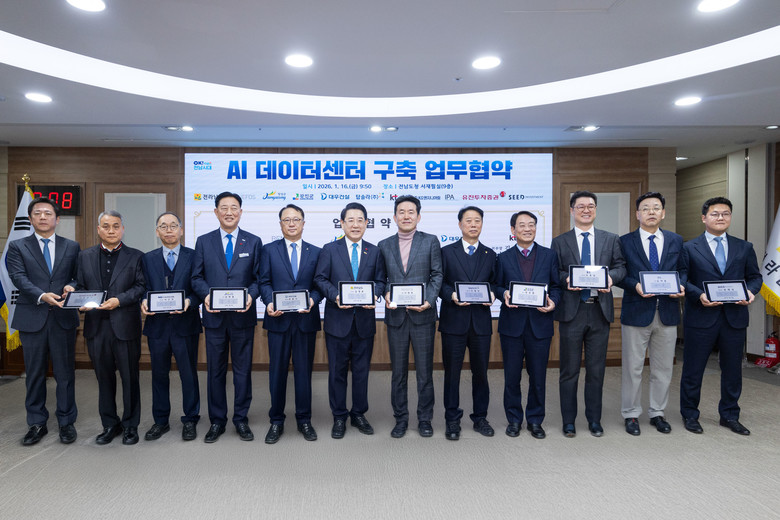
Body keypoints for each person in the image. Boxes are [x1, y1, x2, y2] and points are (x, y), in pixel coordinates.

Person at [679, 196, 762, 435]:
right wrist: (699, 295)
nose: (720, 217)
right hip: (701, 317)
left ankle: (729, 415)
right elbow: (682, 278)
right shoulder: (689, 247)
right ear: (704, 218)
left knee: (733, 371)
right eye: (715, 214)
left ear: (730, 217)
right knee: (693, 370)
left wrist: (750, 291)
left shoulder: (744, 247)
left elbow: (755, 277)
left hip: (734, 318)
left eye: (725, 213)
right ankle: (690, 414)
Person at [551, 191, 626, 438]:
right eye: (581, 206)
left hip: (599, 310)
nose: (586, 210)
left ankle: (594, 420)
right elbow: (554, 272)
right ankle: (569, 421)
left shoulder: (610, 239)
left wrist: (611, 278)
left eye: (590, 206)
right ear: (572, 210)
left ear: (595, 210)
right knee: (569, 370)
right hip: (572, 312)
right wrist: (567, 279)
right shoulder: (560, 241)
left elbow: (621, 267)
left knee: (596, 370)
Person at [7, 197, 80, 445]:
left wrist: (72, 286)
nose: (42, 217)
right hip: (32, 317)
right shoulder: (17, 246)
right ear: (30, 219)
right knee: (35, 374)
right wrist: (41, 295)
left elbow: (78, 276)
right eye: (37, 213)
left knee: (65, 374)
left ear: (57, 219)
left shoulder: (72, 246)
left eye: (48, 213)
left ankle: (66, 422)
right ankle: (37, 423)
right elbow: (18, 277)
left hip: (63, 318)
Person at [191, 192, 262, 443]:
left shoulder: (253, 242)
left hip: (243, 318)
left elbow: (258, 279)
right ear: (216, 212)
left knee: (243, 371)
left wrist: (251, 296)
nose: (229, 212)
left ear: (240, 212)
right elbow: (196, 277)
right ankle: (217, 421)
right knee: (215, 371)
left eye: (234, 208)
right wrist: (206, 296)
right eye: (224, 208)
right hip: (214, 318)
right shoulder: (204, 241)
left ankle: (241, 419)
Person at [314, 202, 386, 439]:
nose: (356, 225)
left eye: (360, 220)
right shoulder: (329, 249)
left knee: (361, 371)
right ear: (342, 223)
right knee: (337, 372)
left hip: (364, 322)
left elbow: (380, 281)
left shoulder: (374, 251)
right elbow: (320, 279)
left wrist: (375, 294)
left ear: (367, 223)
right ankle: (339, 416)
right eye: (350, 220)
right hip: (337, 321)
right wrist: (336, 295)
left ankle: (358, 413)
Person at [76, 210, 145, 445]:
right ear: (99, 229)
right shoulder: (84, 256)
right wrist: (76, 297)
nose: (111, 230)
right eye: (106, 226)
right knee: (103, 379)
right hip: (96, 327)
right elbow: (80, 286)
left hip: (125, 325)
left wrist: (119, 300)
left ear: (122, 229)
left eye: (116, 226)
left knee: (130, 378)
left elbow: (140, 286)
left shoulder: (136, 256)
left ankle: (130, 426)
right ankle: (109, 424)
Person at [618, 192, 684, 436]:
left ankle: (657, 412)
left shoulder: (676, 240)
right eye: (645, 208)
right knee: (632, 368)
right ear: (638, 214)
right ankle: (631, 413)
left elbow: (683, 270)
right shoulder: (624, 241)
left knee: (663, 368)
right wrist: (635, 285)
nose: (651, 212)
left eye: (656, 207)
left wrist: (681, 285)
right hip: (636, 311)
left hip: (667, 312)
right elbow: (619, 273)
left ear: (663, 213)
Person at [378, 195, 443, 438]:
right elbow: (382, 278)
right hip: (396, 316)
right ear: (394, 217)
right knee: (398, 373)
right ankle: (401, 419)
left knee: (425, 372)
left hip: (423, 316)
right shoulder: (384, 244)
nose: (406, 216)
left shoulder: (430, 241)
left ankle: (425, 419)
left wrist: (429, 300)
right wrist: (386, 293)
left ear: (418, 216)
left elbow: (437, 275)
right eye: (401, 212)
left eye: (411, 212)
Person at [494, 210, 561, 439]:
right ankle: (514, 419)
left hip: (540, 325)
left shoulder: (549, 256)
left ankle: (535, 420)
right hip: (512, 326)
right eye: (522, 225)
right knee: (511, 377)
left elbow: (556, 286)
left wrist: (553, 302)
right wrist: (503, 293)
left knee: (538, 377)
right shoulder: (503, 257)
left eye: (531, 224)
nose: (527, 229)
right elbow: (496, 285)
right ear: (513, 230)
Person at [260, 204, 323, 443]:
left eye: (296, 219)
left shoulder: (316, 252)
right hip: (278, 321)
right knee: (277, 373)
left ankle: (304, 420)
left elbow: (319, 285)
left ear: (303, 223)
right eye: (287, 220)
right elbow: (264, 282)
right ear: (280, 225)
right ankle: (276, 421)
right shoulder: (268, 250)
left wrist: (312, 300)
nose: (292, 223)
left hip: (306, 321)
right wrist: (269, 302)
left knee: (304, 373)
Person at [140, 212, 202, 441]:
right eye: (163, 226)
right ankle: (160, 421)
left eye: (173, 226)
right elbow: (142, 287)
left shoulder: (194, 256)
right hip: (157, 327)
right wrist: (143, 301)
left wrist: (190, 302)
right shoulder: (147, 259)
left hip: (186, 325)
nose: (169, 230)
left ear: (181, 230)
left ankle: (191, 419)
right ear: (157, 232)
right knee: (159, 375)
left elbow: (200, 288)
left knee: (189, 374)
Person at [438, 206, 496, 441]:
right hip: (454, 321)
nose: (473, 224)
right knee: (452, 373)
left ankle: (480, 417)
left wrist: (493, 294)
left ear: (482, 224)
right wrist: (451, 295)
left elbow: (495, 283)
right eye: (468, 220)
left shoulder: (490, 254)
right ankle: (452, 419)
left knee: (481, 373)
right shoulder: (446, 252)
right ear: (460, 224)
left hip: (480, 322)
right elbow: (439, 283)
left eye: (477, 220)